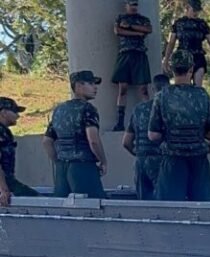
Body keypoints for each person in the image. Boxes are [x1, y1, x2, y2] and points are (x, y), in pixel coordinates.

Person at [149, 50, 210, 202]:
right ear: (191, 69)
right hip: (198, 160)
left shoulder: (161, 96)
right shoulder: (202, 95)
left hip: (172, 160)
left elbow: (153, 135)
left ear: (172, 69)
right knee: (203, 209)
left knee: (170, 212)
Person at [42, 71, 108, 199]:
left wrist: (58, 161)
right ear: (78, 86)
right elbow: (93, 140)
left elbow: (46, 141)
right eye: (91, 83)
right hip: (83, 166)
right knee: (93, 208)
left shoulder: (59, 110)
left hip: (62, 169)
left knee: (65, 212)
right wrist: (103, 161)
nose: (95, 87)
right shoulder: (88, 109)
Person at [122, 74, 170, 200]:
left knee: (144, 203)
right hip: (162, 160)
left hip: (141, 160)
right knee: (165, 202)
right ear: (168, 88)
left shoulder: (138, 109)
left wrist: (138, 153)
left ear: (152, 89)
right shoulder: (170, 108)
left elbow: (126, 142)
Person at [111, 0, 153, 132]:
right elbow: (118, 31)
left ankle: (149, 120)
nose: (134, 7)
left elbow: (148, 29)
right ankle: (120, 122)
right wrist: (137, 33)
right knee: (122, 88)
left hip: (139, 54)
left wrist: (129, 27)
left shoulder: (143, 19)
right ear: (126, 5)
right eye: (131, 4)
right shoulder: (120, 17)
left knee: (144, 89)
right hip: (125, 54)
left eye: (135, 4)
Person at [162, 0, 210, 87]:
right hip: (183, 58)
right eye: (194, 10)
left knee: (198, 86)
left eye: (198, 10)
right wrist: (166, 60)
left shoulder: (202, 24)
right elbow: (171, 43)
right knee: (183, 86)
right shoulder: (178, 23)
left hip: (198, 57)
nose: (196, 13)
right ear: (187, 8)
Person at [0, 97, 39, 206]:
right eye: (14, 111)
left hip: (6, 180)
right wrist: (4, 189)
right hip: (6, 182)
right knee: (38, 202)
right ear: (3, 112)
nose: (18, 115)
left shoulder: (4, 131)